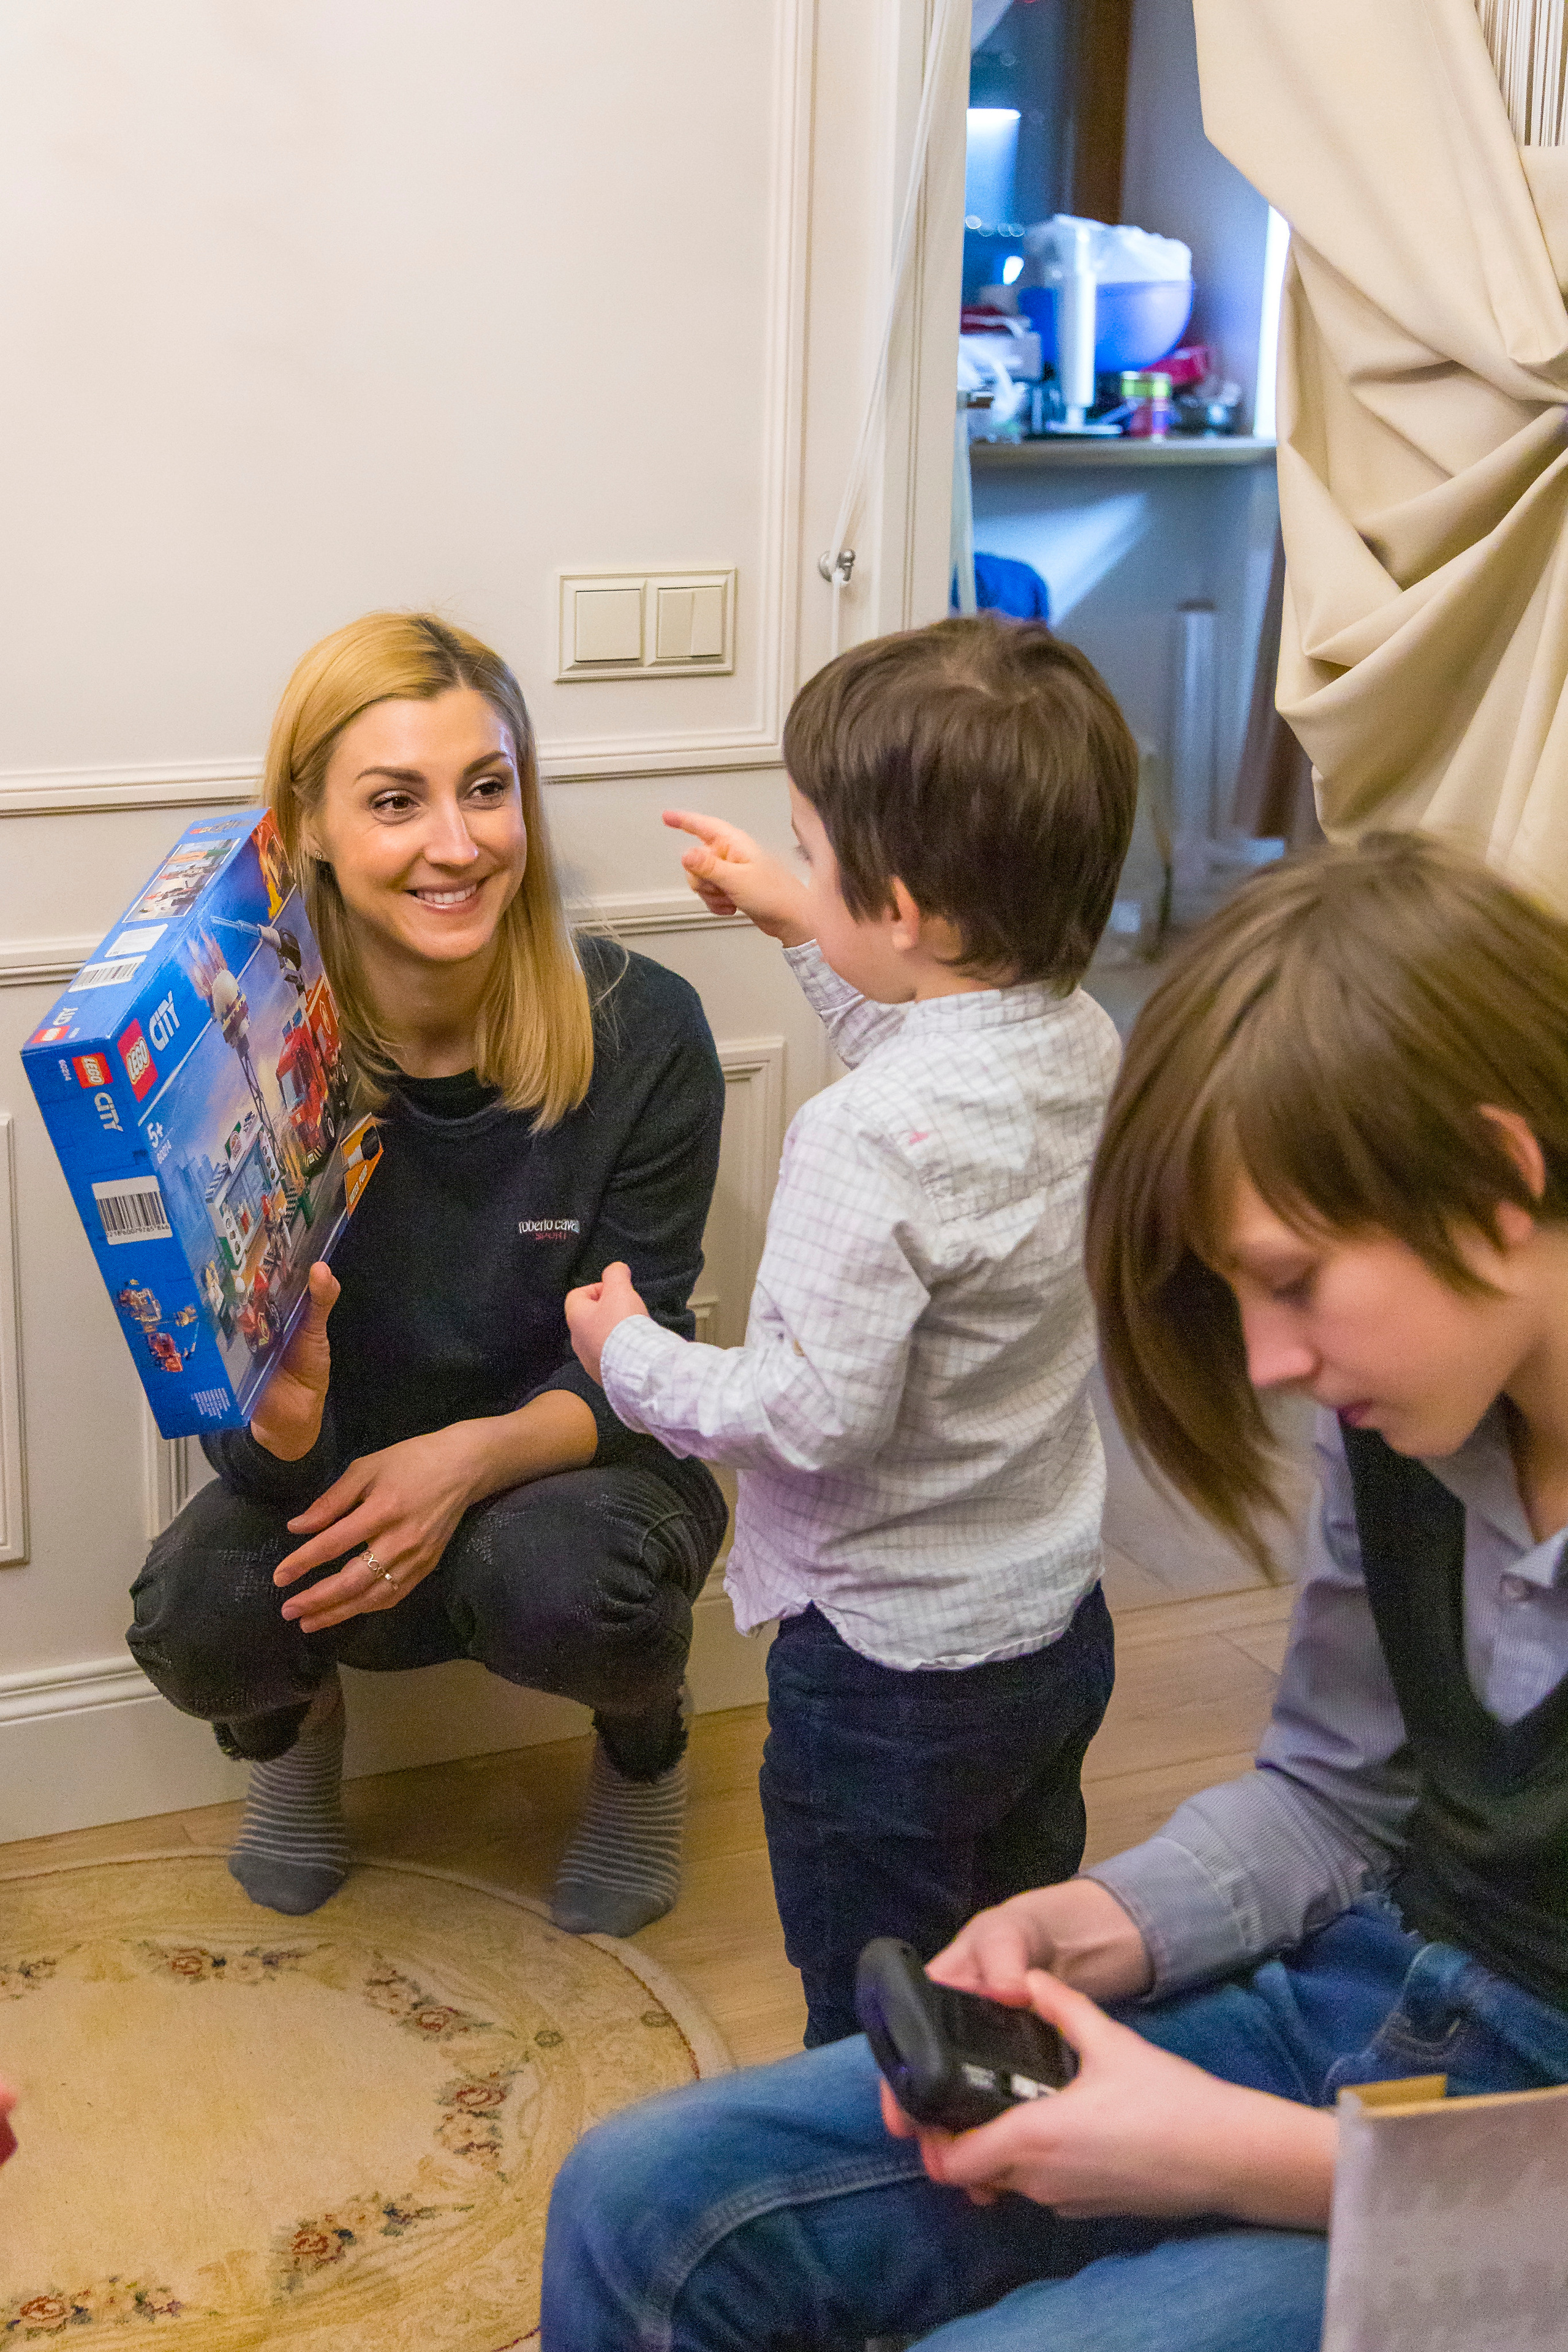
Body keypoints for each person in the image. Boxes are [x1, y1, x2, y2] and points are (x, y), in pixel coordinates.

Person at [541, 832, 1568, 2349]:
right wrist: (1094, 1922)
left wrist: (1238, 2157)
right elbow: (1333, 1803)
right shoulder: (1408, 1417)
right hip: (1381, 1993)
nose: (1275, 1365)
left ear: (1495, 1179)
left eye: (1293, 1281)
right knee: (643, 2200)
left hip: (1511, 2181)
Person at [565, 614, 1139, 2043]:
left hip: (884, 1680)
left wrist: (626, 1358)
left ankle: (885, 2206)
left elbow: (809, 1414)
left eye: (813, 855)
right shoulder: (1080, 1039)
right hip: (1048, 1629)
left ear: (901, 906)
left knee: (875, 2015)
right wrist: (793, 916)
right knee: (1007, 1966)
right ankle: (1018, 2170)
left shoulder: (859, 1141)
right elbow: (934, 1041)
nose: (798, 872)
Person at [128, 612, 728, 1935]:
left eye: (487, 788)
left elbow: (647, 1360)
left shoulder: (643, 1032)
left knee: (579, 1594)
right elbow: (262, 1432)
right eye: (396, 801)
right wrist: (283, 1437)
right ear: (309, 831)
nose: (457, 843)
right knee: (196, 1618)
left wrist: (460, 1461)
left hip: (578, 1472)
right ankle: (289, 1749)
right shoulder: (235, 1074)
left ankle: (644, 1755)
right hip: (338, 1470)